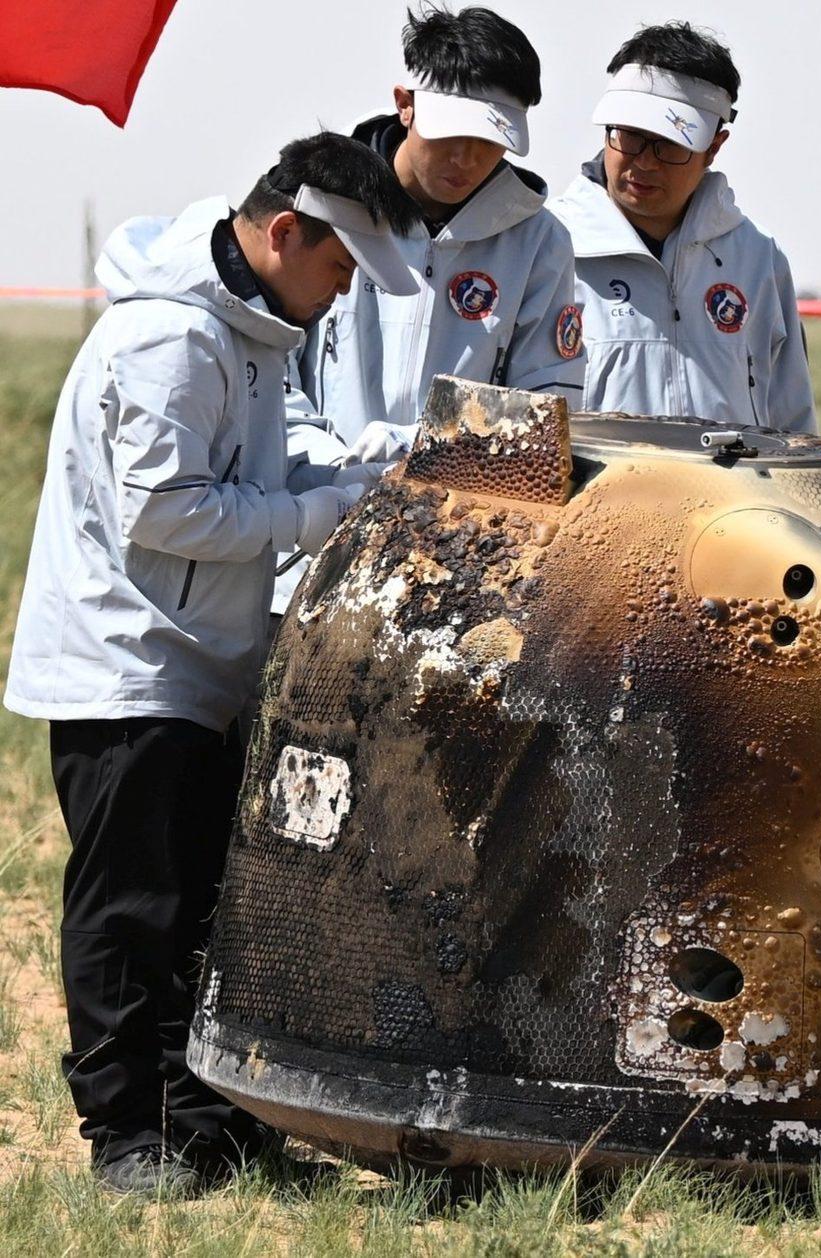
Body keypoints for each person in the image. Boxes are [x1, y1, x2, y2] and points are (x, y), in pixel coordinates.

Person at [3, 133, 417, 1195]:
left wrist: (371, 459)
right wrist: (309, 515)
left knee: (204, 904)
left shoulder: (252, 330)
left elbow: (268, 465)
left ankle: (209, 1131)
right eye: (337, 272)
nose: (338, 298)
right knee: (132, 908)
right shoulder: (170, 341)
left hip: (200, 664)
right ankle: (124, 1136)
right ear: (283, 234)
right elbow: (164, 509)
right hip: (129, 664)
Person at [276, 5, 583, 615]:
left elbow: (548, 410)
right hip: (304, 544)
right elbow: (266, 375)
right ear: (406, 103)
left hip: (459, 563)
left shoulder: (539, 242)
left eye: (490, 141)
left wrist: (429, 447)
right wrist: (331, 467)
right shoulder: (318, 203)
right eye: (451, 135)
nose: (466, 160)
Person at [549, 22, 817, 432]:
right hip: (594, 497)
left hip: (731, 496)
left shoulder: (757, 258)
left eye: (669, 144)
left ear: (713, 147)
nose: (645, 162)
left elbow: (793, 419)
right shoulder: (548, 248)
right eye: (630, 136)